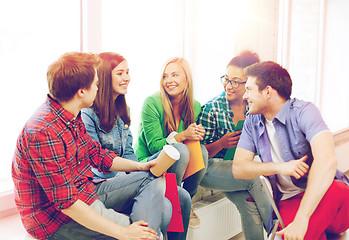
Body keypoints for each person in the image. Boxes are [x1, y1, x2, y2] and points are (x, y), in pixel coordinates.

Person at [12, 52, 171, 240]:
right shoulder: (43, 132)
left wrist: (140, 166)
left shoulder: (71, 114)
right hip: (55, 220)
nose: (98, 88)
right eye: (96, 84)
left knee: (153, 178)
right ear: (81, 91)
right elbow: (67, 203)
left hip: (86, 192)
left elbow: (97, 155)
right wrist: (124, 232)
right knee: (154, 225)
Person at [232, 61, 349, 240]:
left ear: (268, 91)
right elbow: (239, 169)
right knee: (299, 234)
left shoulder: (305, 111)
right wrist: (281, 167)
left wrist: (302, 219)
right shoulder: (252, 121)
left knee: (339, 189)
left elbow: (328, 160)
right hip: (289, 200)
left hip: (326, 194)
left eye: (249, 89)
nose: (244, 96)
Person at [81, 52, 191, 240]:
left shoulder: (123, 110)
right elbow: (95, 162)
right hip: (104, 183)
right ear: (106, 77)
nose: (127, 78)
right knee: (163, 203)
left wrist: (135, 172)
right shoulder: (87, 113)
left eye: (128, 72)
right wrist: (134, 174)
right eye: (120, 73)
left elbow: (129, 152)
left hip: (128, 175)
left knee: (182, 197)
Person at [197, 50, 271, 240]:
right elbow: (198, 156)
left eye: (236, 82)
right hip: (208, 169)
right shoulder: (212, 108)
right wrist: (222, 143)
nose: (228, 86)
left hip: (235, 169)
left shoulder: (253, 108)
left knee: (249, 205)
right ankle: (281, 231)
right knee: (253, 177)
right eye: (226, 79)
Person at [135, 57, 209, 232]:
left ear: (187, 79)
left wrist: (197, 135)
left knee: (202, 150)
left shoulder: (195, 106)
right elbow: (154, 147)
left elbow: (192, 147)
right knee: (181, 150)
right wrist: (183, 135)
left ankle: (187, 200)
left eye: (175, 75)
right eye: (165, 76)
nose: (169, 81)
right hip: (149, 160)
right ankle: (173, 200)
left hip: (176, 165)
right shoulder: (151, 103)